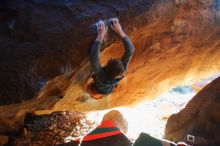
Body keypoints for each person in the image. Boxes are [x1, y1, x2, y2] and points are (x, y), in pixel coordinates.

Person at [88, 18, 135, 99]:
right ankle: (100, 96)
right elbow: (130, 50)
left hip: (100, 89)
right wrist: (120, 31)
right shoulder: (122, 70)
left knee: (93, 92)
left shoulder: (102, 77)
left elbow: (93, 57)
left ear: (107, 68)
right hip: (111, 87)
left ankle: (97, 96)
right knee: (108, 90)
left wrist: (100, 36)